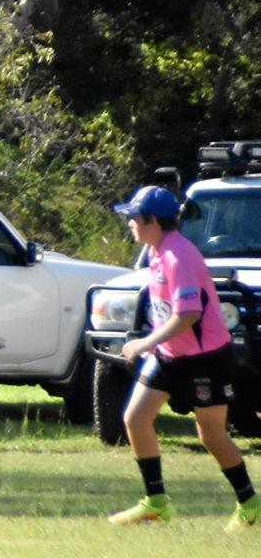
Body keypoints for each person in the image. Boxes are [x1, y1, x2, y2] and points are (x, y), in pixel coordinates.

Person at [106, 184, 259, 527]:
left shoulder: (179, 256)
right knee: (135, 418)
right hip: (169, 354)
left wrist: (145, 343)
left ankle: (251, 504)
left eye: (134, 217)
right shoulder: (156, 251)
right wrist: (156, 345)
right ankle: (156, 502)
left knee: (211, 435)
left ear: (153, 221)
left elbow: (187, 315)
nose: (130, 222)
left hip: (203, 359)